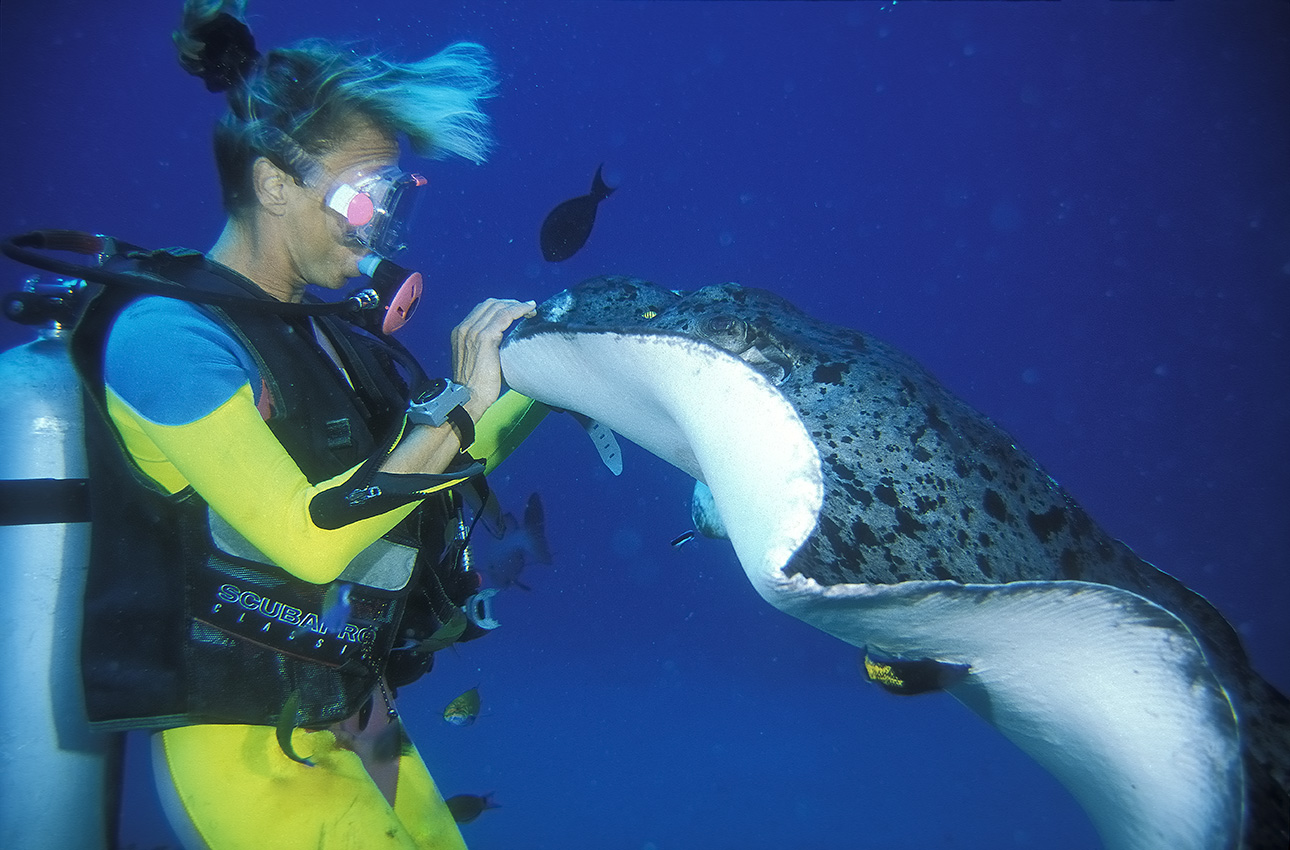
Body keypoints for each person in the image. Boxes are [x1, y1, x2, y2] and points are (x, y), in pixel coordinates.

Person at [67, 2, 546, 847]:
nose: (383, 229)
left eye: (394, 199)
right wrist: (468, 402)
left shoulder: (323, 336)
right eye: (364, 200)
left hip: (360, 713)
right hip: (247, 741)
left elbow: (434, 477)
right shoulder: (166, 338)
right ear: (272, 183)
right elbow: (312, 539)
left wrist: (547, 381)